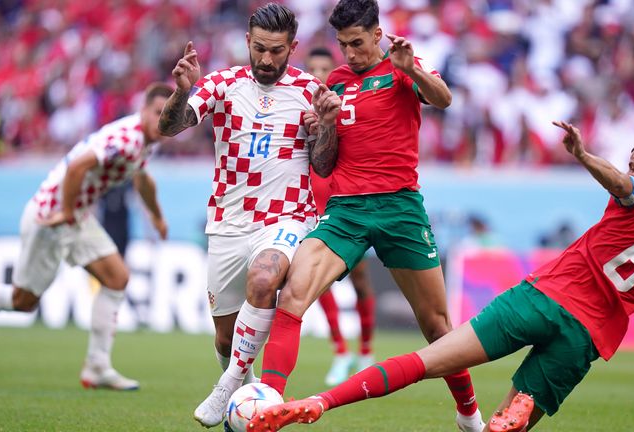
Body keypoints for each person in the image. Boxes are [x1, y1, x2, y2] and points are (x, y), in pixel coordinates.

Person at [247, 121, 634, 432]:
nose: (628, 170)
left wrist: (583, 155)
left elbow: (622, 185)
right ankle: (506, 418)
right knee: (508, 423)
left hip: (539, 299)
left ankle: (318, 401)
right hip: (583, 338)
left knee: (428, 359)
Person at [257, 1, 485, 431]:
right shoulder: (338, 83)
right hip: (347, 210)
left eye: (358, 43)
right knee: (291, 296)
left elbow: (445, 99)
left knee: (437, 328)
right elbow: (323, 165)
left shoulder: (403, 66)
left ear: (377, 35)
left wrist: (412, 70)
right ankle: (269, 402)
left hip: (400, 207)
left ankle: (469, 413)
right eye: (343, 45)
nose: (350, 54)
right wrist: (323, 125)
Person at [157, 3, 333, 428]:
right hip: (228, 222)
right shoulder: (222, 83)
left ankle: (228, 385)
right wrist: (182, 91)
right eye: (259, 49)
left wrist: (325, 128)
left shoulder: (312, 90)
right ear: (247, 43)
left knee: (265, 277)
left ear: (292, 47)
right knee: (224, 335)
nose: (267, 59)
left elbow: (324, 167)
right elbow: (168, 128)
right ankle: (244, 396)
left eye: (276, 50)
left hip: (287, 218)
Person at [0, 82, 173, 391]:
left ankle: (97, 367)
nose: (162, 120)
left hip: (75, 216)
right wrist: (65, 211)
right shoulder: (128, 138)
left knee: (117, 277)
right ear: (143, 111)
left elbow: (143, 180)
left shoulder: (146, 140)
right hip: (51, 216)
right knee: (23, 301)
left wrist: (156, 215)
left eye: (168, 114)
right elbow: (78, 166)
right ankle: (97, 366)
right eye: (158, 113)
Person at [305, 46, 377, 386]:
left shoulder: (344, 108)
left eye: (324, 68)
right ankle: (340, 351)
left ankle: (365, 351)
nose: (318, 74)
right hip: (312, 208)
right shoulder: (299, 112)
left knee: (360, 281)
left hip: (343, 206)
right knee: (318, 282)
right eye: (312, 68)